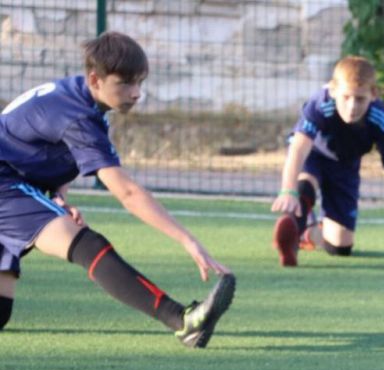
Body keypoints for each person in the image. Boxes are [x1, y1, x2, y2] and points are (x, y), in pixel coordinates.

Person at [0, 32, 235, 348]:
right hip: (6, 185)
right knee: (86, 244)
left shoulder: (78, 95)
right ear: (95, 79)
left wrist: (58, 197)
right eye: (125, 83)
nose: (136, 93)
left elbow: (49, 149)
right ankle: (183, 320)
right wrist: (187, 240)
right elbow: (128, 193)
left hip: (13, 182)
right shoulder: (78, 115)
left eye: (140, 82)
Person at [269, 55, 384, 266]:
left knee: (340, 247)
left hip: (345, 167)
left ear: (373, 94)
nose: (352, 106)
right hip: (314, 155)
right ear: (333, 90)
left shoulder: (382, 121)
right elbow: (299, 148)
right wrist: (288, 190)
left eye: (360, 99)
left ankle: (308, 233)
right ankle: (291, 233)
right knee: (304, 187)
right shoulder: (320, 104)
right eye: (346, 97)